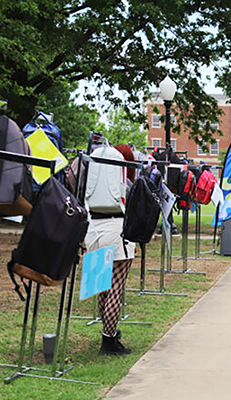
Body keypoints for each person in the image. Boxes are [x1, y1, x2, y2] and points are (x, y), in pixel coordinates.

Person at [86, 143, 137, 356]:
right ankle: (109, 340)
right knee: (116, 286)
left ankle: (108, 334)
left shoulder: (91, 170)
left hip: (93, 228)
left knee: (101, 286)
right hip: (117, 229)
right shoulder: (123, 181)